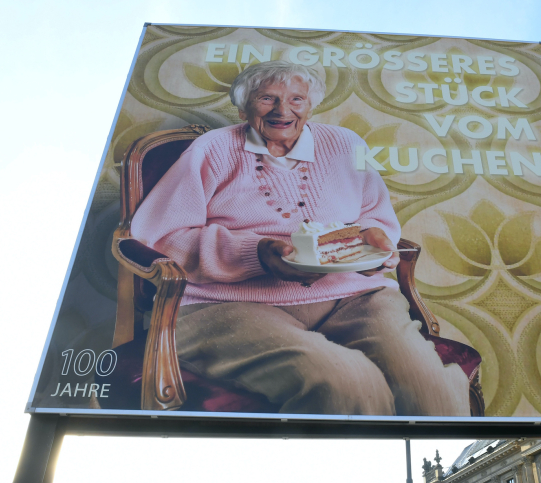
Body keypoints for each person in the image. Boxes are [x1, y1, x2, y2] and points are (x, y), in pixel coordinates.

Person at [131, 60, 469, 416]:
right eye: (267, 99)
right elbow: (162, 236)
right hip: (226, 303)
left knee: (427, 389)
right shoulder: (212, 150)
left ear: (311, 105)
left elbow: (373, 212)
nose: (282, 110)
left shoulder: (345, 145)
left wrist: (373, 241)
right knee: (346, 383)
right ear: (244, 105)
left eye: (296, 99)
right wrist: (257, 253)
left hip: (353, 295)